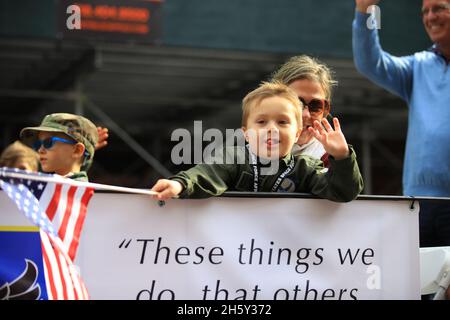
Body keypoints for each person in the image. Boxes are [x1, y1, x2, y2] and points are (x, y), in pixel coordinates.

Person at [151, 82, 364, 201]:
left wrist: (342, 157)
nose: (271, 128)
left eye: (282, 122)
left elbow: (343, 192)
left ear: (297, 132)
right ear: (246, 133)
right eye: (261, 122)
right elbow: (206, 175)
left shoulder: (306, 169)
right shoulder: (234, 158)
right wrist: (179, 184)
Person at [352, 0, 450, 246]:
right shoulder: (419, 65)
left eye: (438, 8)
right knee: (420, 284)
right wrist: (368, 11)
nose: (430, 17)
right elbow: (370, 63)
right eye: (425, 12)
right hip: (417, 205)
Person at [271, 55, 337, 168]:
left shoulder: (333, 160)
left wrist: (343, 158)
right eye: (296, 103)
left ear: (325, 111)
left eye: (315, 106)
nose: (305, 114)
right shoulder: (247, 152)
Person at [19, 113, 99, 182]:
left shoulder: (81, 194)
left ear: (77, 150)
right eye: (38, 144)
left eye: (48, 143)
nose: (40, 150)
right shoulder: (49, 186)